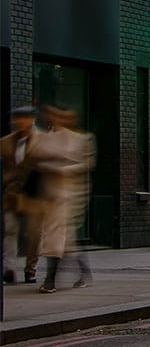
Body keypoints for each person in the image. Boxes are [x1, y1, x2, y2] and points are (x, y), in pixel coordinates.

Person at [29, 104, 95, 292]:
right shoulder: (46, 137)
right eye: (55, 115)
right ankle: (84, 272)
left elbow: (87, 163)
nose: (58, 119)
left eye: (63, 116)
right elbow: (34, 156)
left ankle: (50, 281)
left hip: (70, 196)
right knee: (65, 240)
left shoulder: (83, 139)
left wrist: (62, 168)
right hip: (49, 195)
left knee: (56, 236)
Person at [3, 105, 40, 284]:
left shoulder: (44, 141)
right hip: (12, 194)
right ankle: (9, 269)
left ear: (32, 119)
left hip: (35, 196)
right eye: (16, 118)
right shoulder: (5, 142)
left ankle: (30, 269)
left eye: (23, 118)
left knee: (33, 235)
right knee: (9, 230)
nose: (19, 121)